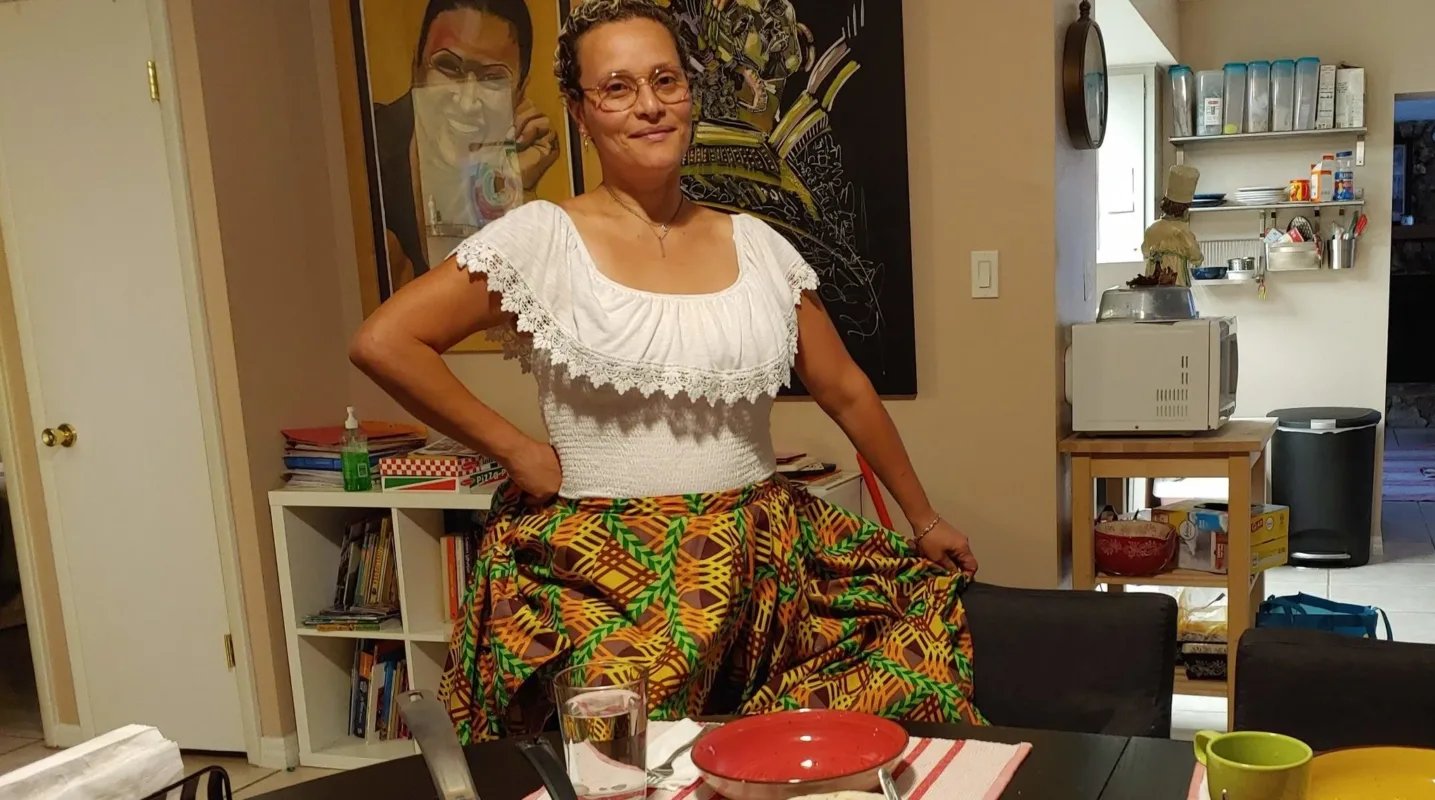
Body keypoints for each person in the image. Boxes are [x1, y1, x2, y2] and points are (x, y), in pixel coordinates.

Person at [350, 0, 983, 743]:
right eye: (617, 87)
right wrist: (518, 451)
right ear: (582, 114)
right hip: (601, 567)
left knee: (857, 699)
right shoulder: (539, 239)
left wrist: (925, 518)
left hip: (765, 557)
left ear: (691, 95)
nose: (648, 104)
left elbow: (845, 387)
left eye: (665, 81)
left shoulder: (759, 245)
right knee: (626, 760)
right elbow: (385, 341)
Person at [371, 0, 560, 294]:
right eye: (448, 67)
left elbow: (493, 314)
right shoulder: (363, 151)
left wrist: (514, 185)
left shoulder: (506, 171)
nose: (466, 101)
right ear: (416, 70)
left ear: (520, 93)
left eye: (493, 79)